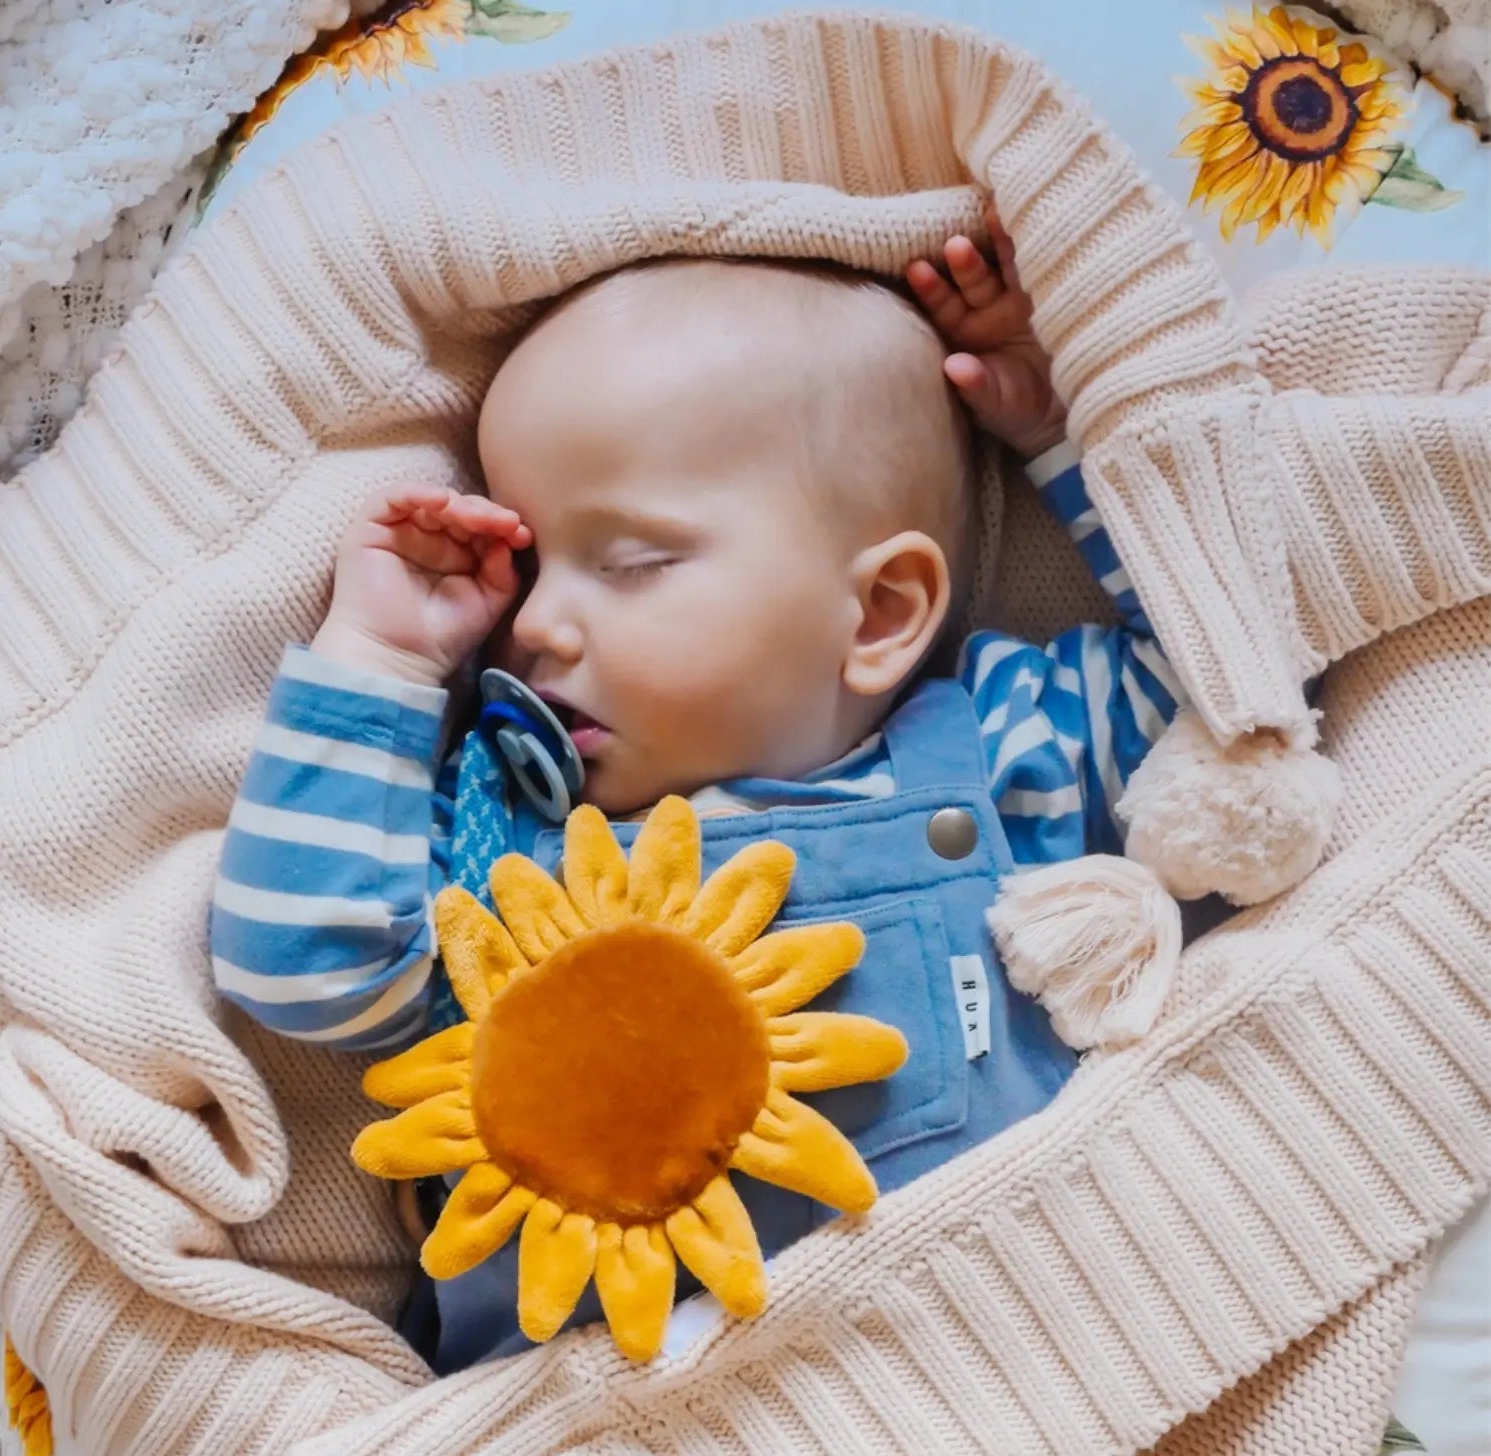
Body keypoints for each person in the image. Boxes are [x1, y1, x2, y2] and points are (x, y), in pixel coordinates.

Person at [210, 222, 1180, 1371]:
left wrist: (1063, 436)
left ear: (876, 615)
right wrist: (381, 657)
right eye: (528, 569)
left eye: (627, 563)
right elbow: (297, 973)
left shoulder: (1007, 741)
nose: (533, 626)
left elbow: (1215, 675)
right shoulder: (497, 844)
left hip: (974, 1373)